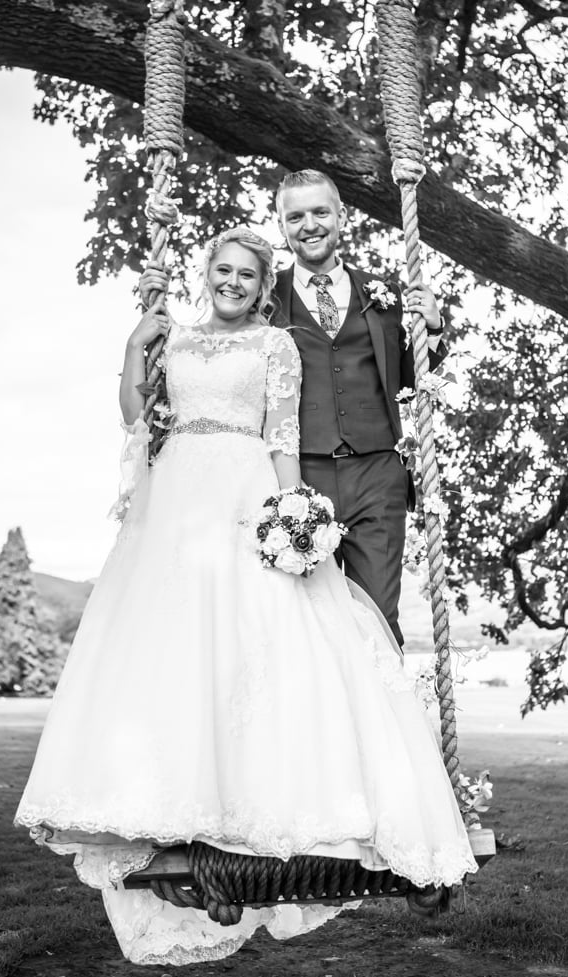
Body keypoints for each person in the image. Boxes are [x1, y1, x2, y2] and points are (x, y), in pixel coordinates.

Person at [15, 227, 476, 967]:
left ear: (265, 284)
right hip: (172, 504)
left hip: (243, 489)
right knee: (167, 644)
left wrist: (292, 513)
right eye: (221, 270)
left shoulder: (275, 345)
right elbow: (138, 420)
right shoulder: (173, 335)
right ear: (208, 274)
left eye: (246, 274)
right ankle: (165, 799)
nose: (231, 281)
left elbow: (284, 435)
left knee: (256, 645)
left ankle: (256, 799)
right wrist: (135, 346)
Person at [141, 170, 445, 648]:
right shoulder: (262, 295)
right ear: (282, 226)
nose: (310, 225)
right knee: (302, 626)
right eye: (295, 216)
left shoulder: (384, 296)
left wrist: (434, 330)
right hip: (298, 476)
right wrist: (153, 299)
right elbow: (210, 350)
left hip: (377, 477)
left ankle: (379, 721)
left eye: (320, 212)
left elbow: (413, 381)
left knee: (378, 623)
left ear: (341, 216)